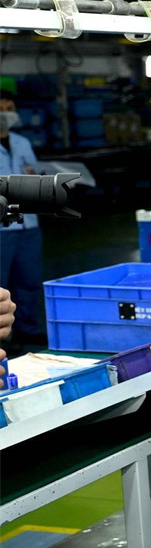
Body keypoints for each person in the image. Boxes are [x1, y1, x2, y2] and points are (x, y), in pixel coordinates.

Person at [0, 93, 45, 354]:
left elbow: (33, 172)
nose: (6, 113)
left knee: (29, 280)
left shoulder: (22, 142)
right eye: (1, 109)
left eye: (10, 108)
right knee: (0, 284)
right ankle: (3, 336)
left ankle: (28, 328)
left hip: (28, 224)